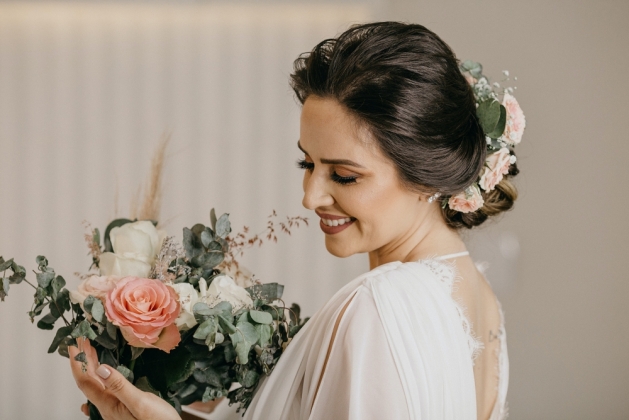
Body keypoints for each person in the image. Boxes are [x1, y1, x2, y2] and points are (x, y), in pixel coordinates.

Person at [70, 21, 517, 420]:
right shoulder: (479, 298)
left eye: (344, 175)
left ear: (427, 175)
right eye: (307, 165)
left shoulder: (379, 303)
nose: (310, 197)